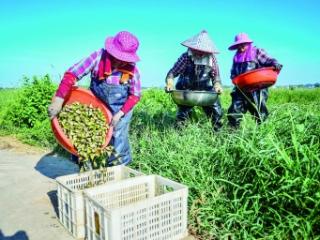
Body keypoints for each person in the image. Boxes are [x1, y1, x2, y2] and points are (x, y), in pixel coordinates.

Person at [48, 31, 141, 168]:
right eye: (117, 56)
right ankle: (86, 169)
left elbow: (135, 96)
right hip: (96, 106)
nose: (119, 61)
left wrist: (120, 114)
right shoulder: (98, 57)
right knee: (83, 135)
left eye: (124, 59)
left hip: (120, 108)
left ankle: (118, 171)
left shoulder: (133, 70)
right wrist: (58, 99)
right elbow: (72, 74)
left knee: (118, 138)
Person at [165, 30, 223, 131]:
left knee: (216, 111)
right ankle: (180, 134)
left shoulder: (211, 59)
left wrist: (217, 85)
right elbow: (172, 73)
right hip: (186, 89)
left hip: (204, 89)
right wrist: (170, 83)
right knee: (183, 114)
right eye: (197, 49)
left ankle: (218, 133)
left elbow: (216, 76)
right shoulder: (186, 57)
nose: (200, 53)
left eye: (202, 50)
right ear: (192, 47)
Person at [227, 32, 282, 128]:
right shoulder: (236, 57)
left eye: (242, 44)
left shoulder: (256, 51)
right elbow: (233, 73)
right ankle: (232, 134)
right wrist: (233, 77)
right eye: (238, 45)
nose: (240, 47)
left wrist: (275, 63)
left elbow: (268, 60)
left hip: (257, 88)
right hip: (241, 88)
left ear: (247, 43)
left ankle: (263, 132)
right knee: (234, 111)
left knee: (260, 112)